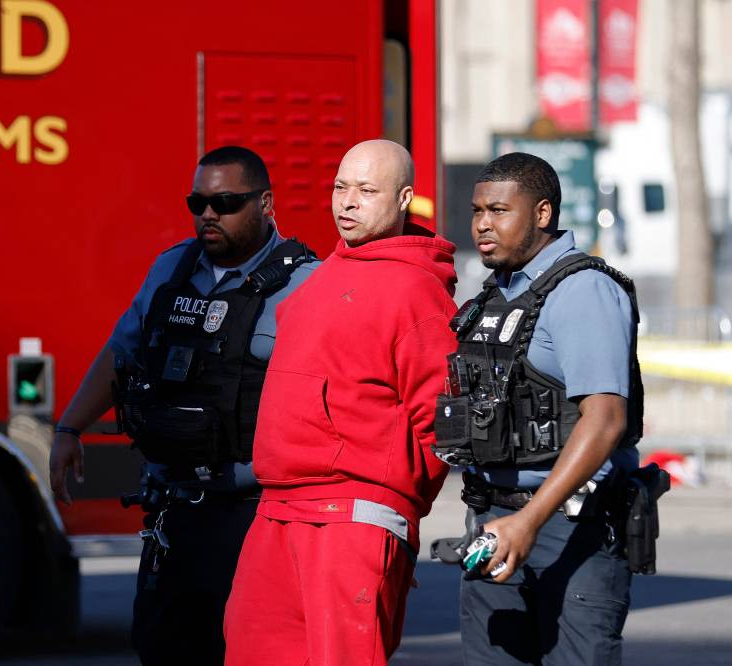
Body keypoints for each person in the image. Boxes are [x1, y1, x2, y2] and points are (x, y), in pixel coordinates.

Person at [48, 145, 318, 665]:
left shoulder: (306, 284)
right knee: (162, 649)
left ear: (265, 203)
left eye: (226, 201)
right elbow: (121, 353)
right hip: (173, 508)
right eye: (198, 202)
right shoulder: (171, 270)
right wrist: (68, 429)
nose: (209, 214)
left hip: (254, 517)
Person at [224, 139, 458, 665]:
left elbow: (442, 425)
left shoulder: (418, 290)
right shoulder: (323, 275)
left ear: (403, 199)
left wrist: (391, 503)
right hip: (278, 506)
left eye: (366, 190)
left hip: (354, 513)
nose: (347, 202)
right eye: (340, 187)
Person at [432, 152, 643, 664]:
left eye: (500, 211)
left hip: (570, 531)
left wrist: (529, 521)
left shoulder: (582, 289)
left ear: (543, 213)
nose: (483, 224)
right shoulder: (495, 295)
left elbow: (606, 418)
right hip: (495, 524)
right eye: (478, 210)